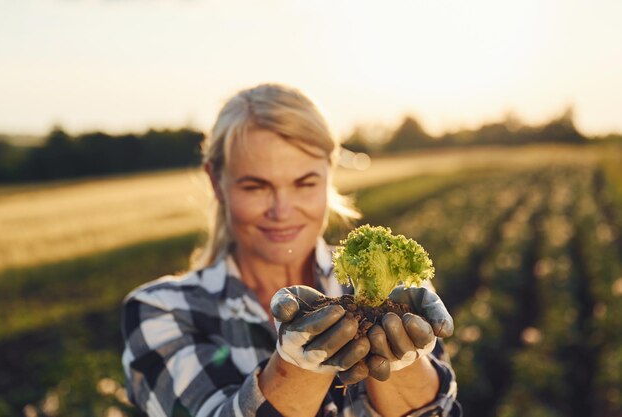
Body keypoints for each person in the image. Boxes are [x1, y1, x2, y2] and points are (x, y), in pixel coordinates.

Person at [121, 83, 461, 417]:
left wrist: (403, 364)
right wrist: (298, 366)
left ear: (330, 175)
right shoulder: (161, 310)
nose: (281, 210)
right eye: (256, 186)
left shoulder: (397, 293)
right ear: (216, 183)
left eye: (305, 183)